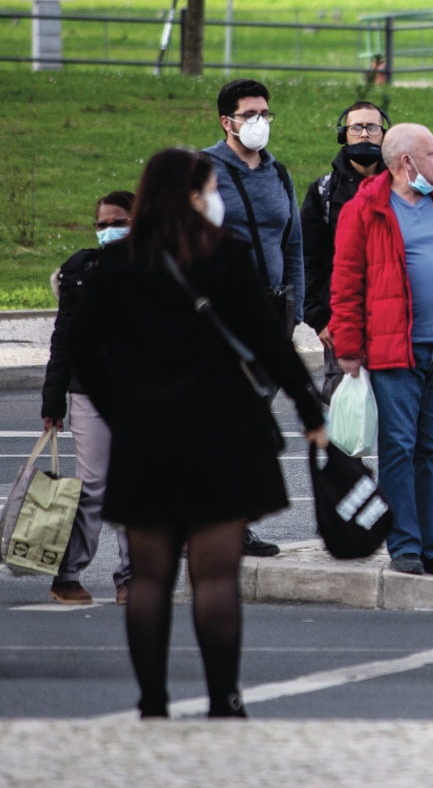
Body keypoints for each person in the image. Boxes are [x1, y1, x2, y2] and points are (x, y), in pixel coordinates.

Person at [71, 149, 327, 719]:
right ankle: (223, 699)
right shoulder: (227, 257)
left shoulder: (115, 266)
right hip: (223, 433)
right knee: (215, 578)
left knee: (149, 577)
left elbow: (80, 353)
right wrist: (311, 409)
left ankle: (153, 701)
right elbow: (270, 344)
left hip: (147, 438)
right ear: (193, 196)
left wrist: (120, 409)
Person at [331, 123, 433, 580]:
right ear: (407, 161)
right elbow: (345, 283)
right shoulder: (365, 208)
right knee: (398, 450)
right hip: (394, 354)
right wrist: (349, 347)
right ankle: (405, 545)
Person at [203, 78, 301, 560]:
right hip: (224, 314)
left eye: (266, 113)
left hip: (272, 310)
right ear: (228, 122)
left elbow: (293, 243)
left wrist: (295, 309)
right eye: (250, 114)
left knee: (253, 420)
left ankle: (233, 521)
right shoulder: (205, 169)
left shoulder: (278, 173)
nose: (260, 122)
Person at [40, 191, 136, 606]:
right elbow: (63, 340)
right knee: (94, 485)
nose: (108, 230)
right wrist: (52, 401)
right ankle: (68, 574)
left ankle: (132, 577)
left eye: (117, 221)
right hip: (88, 393)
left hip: (140, 393)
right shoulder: (81, 270)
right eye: (101, 224)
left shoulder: (156, 266)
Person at [302, 101, 389, 399]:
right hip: (343, 324)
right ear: (344, 134)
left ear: (383, 134)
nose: (365, 134)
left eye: (372, 127)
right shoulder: (323, 192)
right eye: (356, 127)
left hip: (395, 322)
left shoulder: (402, 188)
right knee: (350, 424)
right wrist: (318, 318)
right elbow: (309, 260)